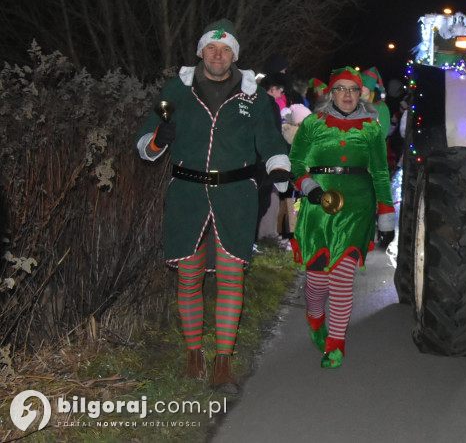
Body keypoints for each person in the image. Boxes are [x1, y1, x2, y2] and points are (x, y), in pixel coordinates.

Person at [136, 19, 292, 392]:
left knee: (230, 277)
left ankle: (223, 359)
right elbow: (144, 144)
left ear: (235, 55)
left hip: (235, 195)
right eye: (211, 48)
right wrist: (160, 136)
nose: (218, 55)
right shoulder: (176, 89)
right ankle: (194, 354)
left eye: (225, 50)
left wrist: (282, 173)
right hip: (187, 194)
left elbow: (270, 141)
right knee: (188, 277)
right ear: (201, 51)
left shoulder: (255, 96)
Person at [288, 67, 395, 368]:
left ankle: (336, 344)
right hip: (317, 208)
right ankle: (314, 315)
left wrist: (386, 211)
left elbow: (380, 173)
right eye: (341, 89)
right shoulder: (313, 124)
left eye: (353, 89)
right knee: (317, 282)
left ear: (361, 93)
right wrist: (306, 185)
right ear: (331, 93)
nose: (347, 95)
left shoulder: (371, 128)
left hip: (357, 209)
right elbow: (296, 163)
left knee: (342, 276)